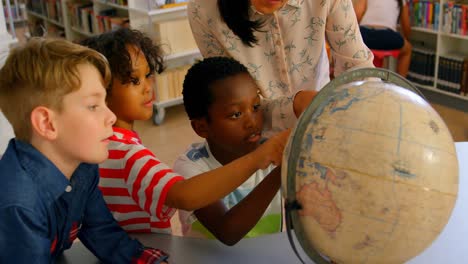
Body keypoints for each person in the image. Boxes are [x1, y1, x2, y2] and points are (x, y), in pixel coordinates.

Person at [81, 28, 292, 235]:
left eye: (148, 75)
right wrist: (263, 161)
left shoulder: (95, 145)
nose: (148, 87)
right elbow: (187, 198)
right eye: (135, 81)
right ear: (101, 91)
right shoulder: (129, 155)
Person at [0, 38, 169, 263]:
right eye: (93, 106)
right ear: (47, 124)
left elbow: (103, 233)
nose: (110, 117)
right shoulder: (19, 204)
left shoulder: (82, 169)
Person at [174, 56, 291, 245]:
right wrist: (280, 170)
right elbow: (227, 231)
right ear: (201, 128)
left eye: (255, 107)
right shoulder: (190, 169)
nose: (252, 122)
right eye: (236, 114)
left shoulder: (269, 149)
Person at [187, 0, 375, 99]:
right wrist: (293, 107)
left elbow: (358, 68)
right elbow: (229, 100)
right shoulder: (203, 9)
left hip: (320, 120)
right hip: (251, 140)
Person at [353, 0, 412, 77]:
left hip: (364, 34)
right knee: (407, 49)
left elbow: (358, 14)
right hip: (387, 37)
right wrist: (406, 38)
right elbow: (406, 27)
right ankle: (399, 84)